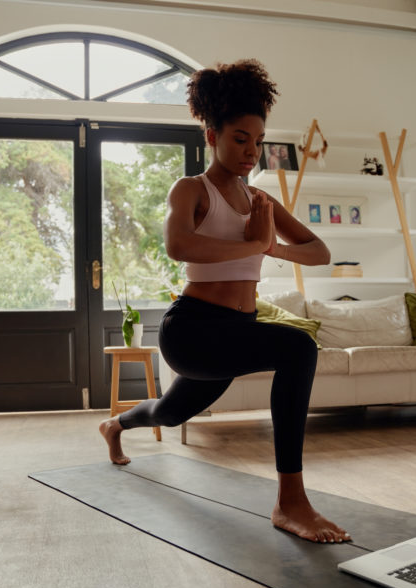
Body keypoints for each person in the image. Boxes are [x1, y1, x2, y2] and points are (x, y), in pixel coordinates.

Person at [99, 59, 350, 544]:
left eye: (257, 142)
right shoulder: (191, 189)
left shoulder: (260, 202)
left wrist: (271, 243)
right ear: (211, 135)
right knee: (298, 348)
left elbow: (320, 252)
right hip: (192, 330)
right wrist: (256, 246)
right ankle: (290, 502)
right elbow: (180, 246)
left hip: (238, 330)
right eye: (240, 139)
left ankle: (115, 425)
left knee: (171, 413)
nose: (251, 152)